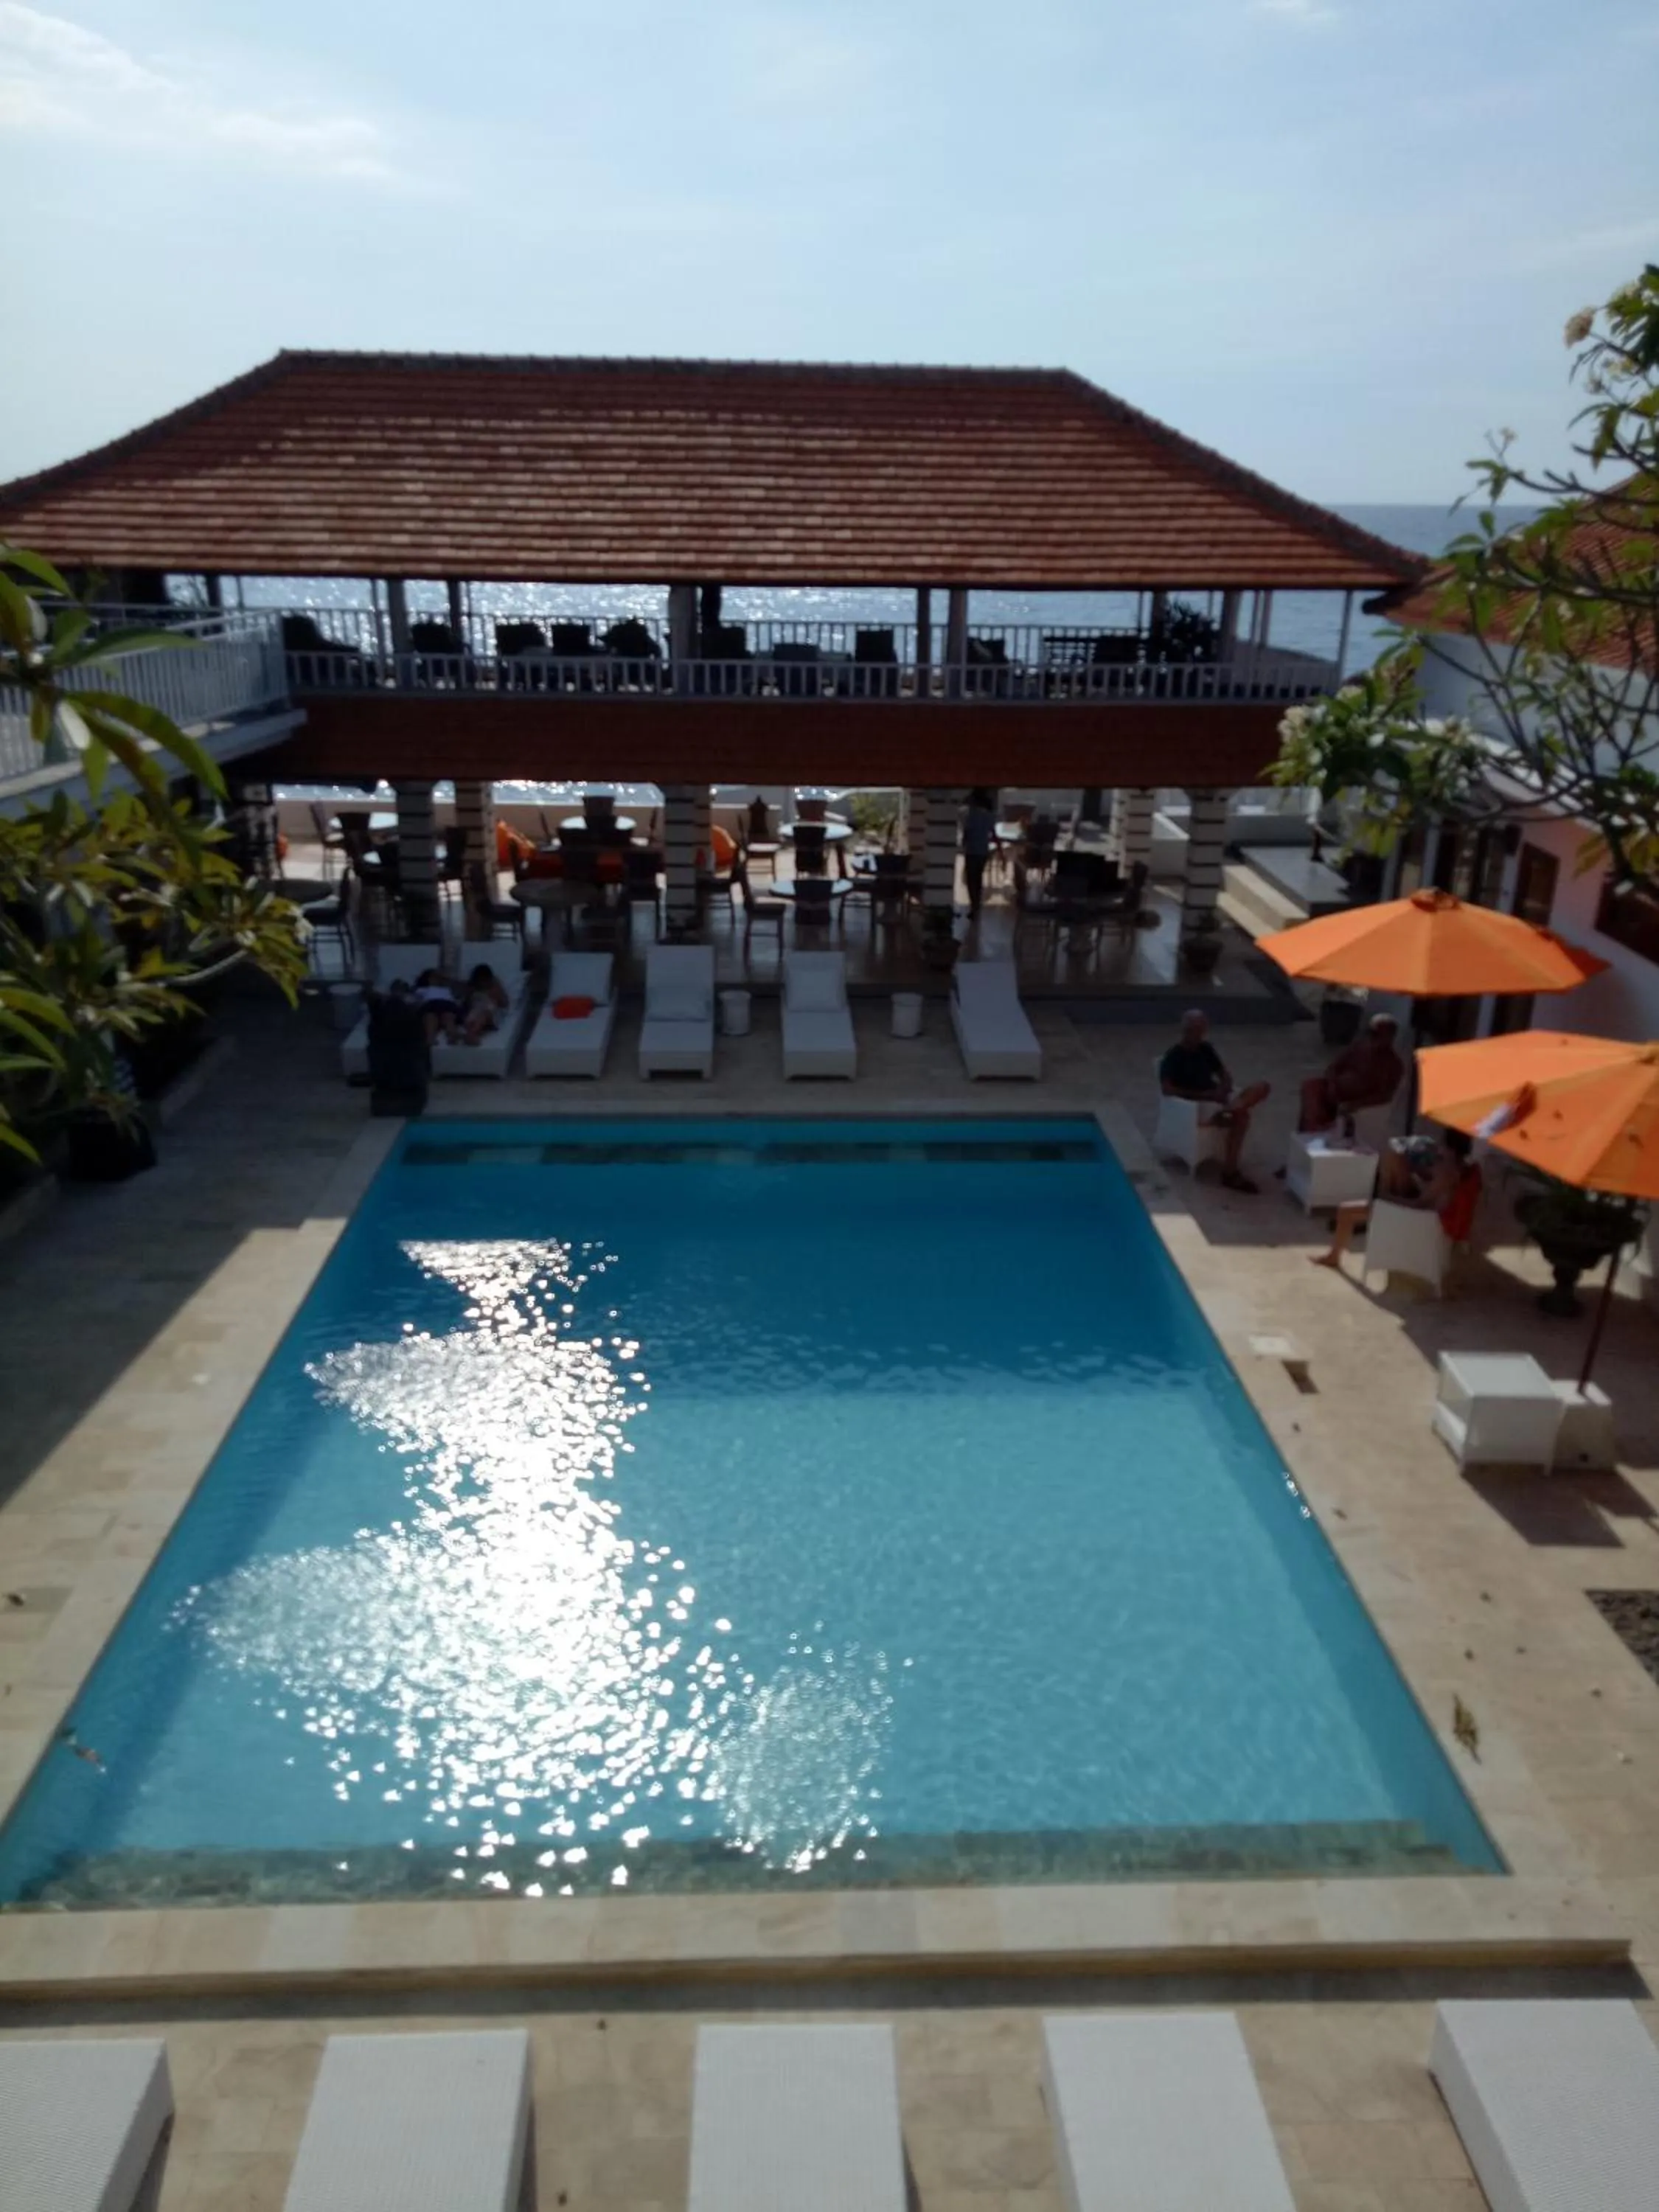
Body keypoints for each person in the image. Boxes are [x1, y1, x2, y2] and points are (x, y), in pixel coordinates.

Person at [1311, 1126, 1482, 1270]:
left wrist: (1386, 1198)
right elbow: (1437, 1193)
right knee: (1397, 1158)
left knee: (1345, 1210)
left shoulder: (1446, 1171)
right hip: (1432, 1214)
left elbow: (1419, 1204)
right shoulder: (1466, 1169)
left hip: (1421, 1218)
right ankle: (1378, 1203)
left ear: (1447, 1144)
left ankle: (1334, 1257)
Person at [1158, 1009, 1273, 1193]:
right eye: (1195, 1029)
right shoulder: (1174, 1056)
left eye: (1202, 1029)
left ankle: (1228, 1111)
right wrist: (1207, 1095)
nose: (1199, 1034)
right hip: (1198, 1105)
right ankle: (1230, 1173)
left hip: (1219, 1099)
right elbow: (1168, 1090)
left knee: (1262, 1087)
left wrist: (1224, 1088)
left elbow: (1224, 1075)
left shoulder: (1206, 1049)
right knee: (1242, 1119)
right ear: (1186, 1030)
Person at [1298, 1013, 1405, 1134]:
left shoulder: (1394, 1065)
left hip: (1357, 1100)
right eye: (1374, 1035)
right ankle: (1311, 1132)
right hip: (1336, 1090)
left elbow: (1385, 1096)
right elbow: (1333, 1067)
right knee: (1311, 1087)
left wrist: (1354, 1104)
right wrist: (1332, 1086)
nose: (1377, 1040)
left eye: (1381, 1036)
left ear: (1391, 1037)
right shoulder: (1359, 1047)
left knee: (1337, 1113)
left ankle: (1321, 1131)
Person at [960, 788, 1001, 917]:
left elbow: (966, 834)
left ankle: (974, 905)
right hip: (983, 851)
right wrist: (999, 849)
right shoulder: (988, 816)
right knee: (978, 878)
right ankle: (977, 905)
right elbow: (993, 834)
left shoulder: (970, 815)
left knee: (971, 879)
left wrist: (963, 846)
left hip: (972, 850)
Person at [460, 962, 509, 1045]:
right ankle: (471, 1034)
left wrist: (494, 993)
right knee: (471, 1019)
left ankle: (472, 1034)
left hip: (490, 1013)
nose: (483, 984)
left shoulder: (495, 988)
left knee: (484, 1016)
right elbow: (467, 1003)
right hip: (476, 1010)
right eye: (481, 981)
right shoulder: (473, 990)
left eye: (485, 981)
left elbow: (504, 1003)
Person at [414, 966, 462, 1043]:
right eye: (434, 977)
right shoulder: (422, 989)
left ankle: (452, 1035)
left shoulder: (447, 990)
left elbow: (456, 997)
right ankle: (431, 1037)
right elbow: (417, 1001)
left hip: (447, 1004)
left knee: (449, 1017)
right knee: (430, 1017)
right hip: (430, 1004)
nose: (437, 979)